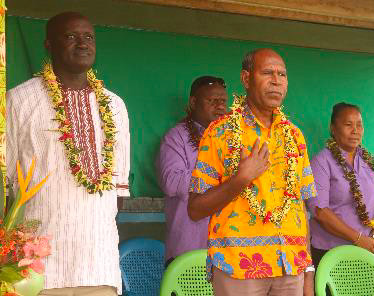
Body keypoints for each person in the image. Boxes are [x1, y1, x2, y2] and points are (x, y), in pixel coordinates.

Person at [7, 12, 130, 296]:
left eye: (88, 37)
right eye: (71, 36)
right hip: (37, 268)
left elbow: (118, 191)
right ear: (49, 44)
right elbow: (6, 185)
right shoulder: (19, 101)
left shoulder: (115, 106)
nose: (83, 43)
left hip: (98, 264)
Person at [187, 48, 317, 296]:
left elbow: (300, 207)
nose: (276, 80)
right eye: (267, 72)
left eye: (282, 74)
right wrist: (241, 179)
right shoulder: (219, 132)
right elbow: (194, 209)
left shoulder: (294, 135)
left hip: (290, 268)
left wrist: (308, 270)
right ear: (246, 79)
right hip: (239, 268)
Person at [306, 102, 374, 293]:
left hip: (366, 253)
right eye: (348, 124)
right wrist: (358, 238)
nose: (355, 130)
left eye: (359, 125)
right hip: (330, 254)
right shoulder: (321, 162)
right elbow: (320, 212)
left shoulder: (370, 162)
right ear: (333, 129)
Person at [157, 76, 228, 266]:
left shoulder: (233, 140)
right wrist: (223, 177)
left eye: (223, 101)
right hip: (188, 250)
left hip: (227, 252)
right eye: (213, 101)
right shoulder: (176, 137)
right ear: (193, 102)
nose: (220, 107)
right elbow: (172, 181)